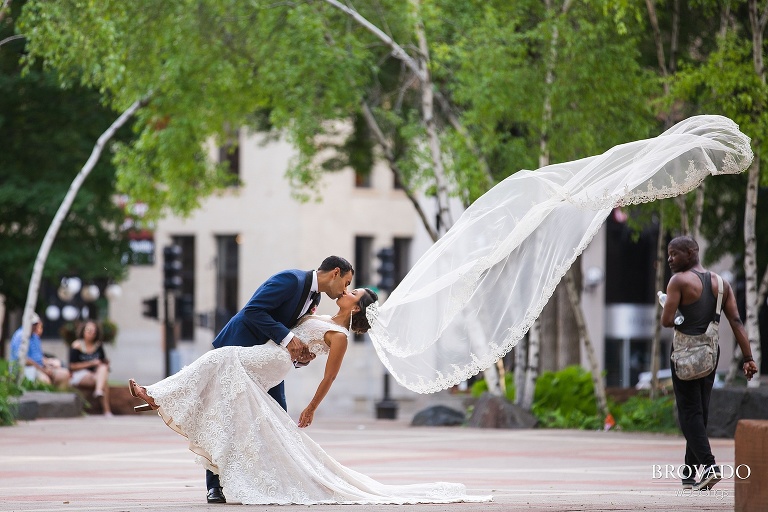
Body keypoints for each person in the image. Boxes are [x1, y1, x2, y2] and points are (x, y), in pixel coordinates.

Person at [129, 287, 487, 505]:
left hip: (272, 361)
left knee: (220, 358)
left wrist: (312, 407)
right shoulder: (320, 313)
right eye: (349, 287)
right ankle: (166, 400)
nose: (346, 291)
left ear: (357, 308)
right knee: (225, 396)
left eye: (352, 292)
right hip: (274, 355)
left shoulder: (340, 336)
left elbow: (330, 376)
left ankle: (158, 394)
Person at [202, 255, 353, 504]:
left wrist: (299, 355)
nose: (344, 290)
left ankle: (277, 482)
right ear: (335, 272)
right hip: (238, 350)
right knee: (226, 416)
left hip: (268, 362)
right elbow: (253, 311)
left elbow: (291, 332)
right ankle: (214, 485)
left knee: (279, 420)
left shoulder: (313, 297)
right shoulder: (291, 280)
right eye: (346, 283)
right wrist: (286, 339)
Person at [661, 236, 758, 491]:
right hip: (710, 355)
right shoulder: (722, 284)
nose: (670, 259)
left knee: (688, 413)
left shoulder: (678, 281)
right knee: (700, 411)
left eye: (674, 254)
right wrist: (748, 358)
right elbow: (737, 322)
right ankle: (688, 473)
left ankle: (710, 466)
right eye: (669, 254)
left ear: (692, 252)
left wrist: (672, 310)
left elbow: (666, 320)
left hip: (684, 355)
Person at [9, 313, 70, 388]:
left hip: (40, 367)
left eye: (36, 323)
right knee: (45, 380)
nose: (35, 326)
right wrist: (42, 370)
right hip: (25, 369)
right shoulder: (20, 336)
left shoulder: (35, 337)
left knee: (64, 374)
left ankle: (60, 398)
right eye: (33, 324)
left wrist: (48, 365)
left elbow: (39, 356)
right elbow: (25, 360)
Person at [69, 320, 112, 417]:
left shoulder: (98, 345)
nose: (91, 333)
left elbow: (102, 361)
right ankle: (106, 410)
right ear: (83, 331)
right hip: (79, 375)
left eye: (94, 331)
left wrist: (105, 364)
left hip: (95, 375)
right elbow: (72, 366)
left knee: (103, 368)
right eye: (88, 330)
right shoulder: (77, 345)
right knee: (103, 383)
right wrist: (91, 363)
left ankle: (98, 391)